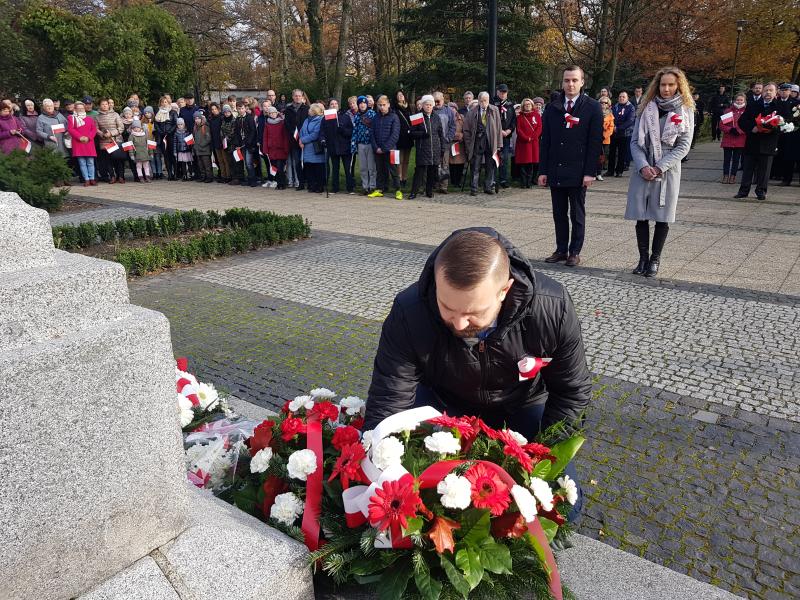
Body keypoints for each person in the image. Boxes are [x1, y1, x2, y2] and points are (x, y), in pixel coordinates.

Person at [364, 227, 591, 522]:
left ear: (504, 291)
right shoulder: (411, 311)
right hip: (444, 402)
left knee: (561, 510)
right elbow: (389, 397)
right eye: (446, 307)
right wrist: (381, 472)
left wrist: (538, 461)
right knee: (423, 501)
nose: (458, 324)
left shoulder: (551, 307)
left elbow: (572, 391)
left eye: (474, 313)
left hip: (523, 404)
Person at [625, 66, 694, 278]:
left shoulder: (685, 110)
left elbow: (684, 146)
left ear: (678, 86)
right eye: (663, 84)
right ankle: (642, 258)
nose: (666, 89)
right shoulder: (646, 107)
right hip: (643, 166)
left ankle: (655, 259)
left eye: (671, 85)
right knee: (641, 215)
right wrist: (644, 166)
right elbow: (635, 141)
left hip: (667, 169)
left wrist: (659, 167)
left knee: (662, 216)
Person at [539, 66, 604, 268]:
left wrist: (590, 172)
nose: (570, 84)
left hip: (578, 169)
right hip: (556, 168)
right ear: (562, 82)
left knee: (576, 213)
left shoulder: (592, 107)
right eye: (567, 80)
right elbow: (546, 141)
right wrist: (543, 170)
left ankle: (574, 251)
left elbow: (595, 143)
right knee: (558, 212)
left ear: (582, 82)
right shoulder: (553, 107)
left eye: (575, 80)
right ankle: (560, 250)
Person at [734, 83, 790, 201]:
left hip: (769, 142)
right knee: (748, 168)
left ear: (776, 93)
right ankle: (743, 191)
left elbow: (786, 123)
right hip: (752, 141)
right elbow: (742, 121)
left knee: (764, 170)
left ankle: (761, 191)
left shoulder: (781, 106)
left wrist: (773, 128)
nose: (768, 93)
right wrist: (752, 128)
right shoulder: (753, 105)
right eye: (766, 90)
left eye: (771, 90)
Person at [462, 92, 502, 196]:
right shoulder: (472, 111)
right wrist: (468, 143)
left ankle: (488, 187)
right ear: (478, 100)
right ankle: (474, 188)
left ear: (488, 100)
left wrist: (498, 144)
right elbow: (466, 130)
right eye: (482, 101)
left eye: (486, 101)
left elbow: (498, 128)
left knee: (490, 166)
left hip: (490, 142)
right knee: (475, 166)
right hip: (477, 142)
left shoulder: (494, 110)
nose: (484, 103)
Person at [409, 94, 445, 199]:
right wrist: (422, 134)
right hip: (422, 149)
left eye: (430, 104)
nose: (428, 106)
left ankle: (429, 191)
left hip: (434, 149)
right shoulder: (417, 117)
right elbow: (411, 133)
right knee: (419, 172)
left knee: (432, 172)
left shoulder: (436, 117)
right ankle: (413, 192)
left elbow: (441, 134)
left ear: (432, 105)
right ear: (422, 105)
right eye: (426, 104)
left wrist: (442, 148)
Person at [370, 95, 402, 199]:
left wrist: (384, 148)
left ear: (388, 105)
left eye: (384, 105)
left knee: (394, 170)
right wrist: (376, 148)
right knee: (380, 170)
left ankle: (398, 190)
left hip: (391, 149)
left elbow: (395, 135)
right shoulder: (375, 117)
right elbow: (372, 134)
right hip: (377, 150)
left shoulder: (394, 117)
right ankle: (380, 189)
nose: (382, 107)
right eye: (380, 105)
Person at [321, 99, 354, 194]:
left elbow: (351, 131)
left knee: (348, 168)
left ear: (338, 105)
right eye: (332, 104)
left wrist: (343, 130)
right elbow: (322, 131)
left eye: (336, 104)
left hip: (345, 146)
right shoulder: (326, 118)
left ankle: (350, 188)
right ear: (329, 106)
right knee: (335, 169)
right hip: (333, 146)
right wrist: (322, 139)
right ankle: (335, 188)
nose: (334, 105)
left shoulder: (345, 117)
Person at [66, 100, 97, 186]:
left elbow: (93, 129)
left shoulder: (89, 119)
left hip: (89, 142)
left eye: (82, 108)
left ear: (84, 109)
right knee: (82, 163)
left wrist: (88, 137)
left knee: (90, 162)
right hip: (78, 142)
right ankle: (86, 179)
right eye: (78, 108)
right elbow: (71, 129)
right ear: (75, 109)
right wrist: (80, 137)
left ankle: (92, 179)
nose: (80, 110)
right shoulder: (71, 118)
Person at [95, 98, 126, 184]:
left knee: (119, 160)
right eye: (102, 104)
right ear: (99, 106)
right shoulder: (97, 117)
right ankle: (112, 176)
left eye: (106, 104)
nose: (104, 106)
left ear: (109, 105)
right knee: (108, 161)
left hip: (116, 140)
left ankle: (121, 176)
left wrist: (111, 133)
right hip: (104, 141)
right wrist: (102, 134)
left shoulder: (115, 114)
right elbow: (96, 129)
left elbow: (121, 127)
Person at [514, 98, 542, 188]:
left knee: (531, 163)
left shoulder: (536, 115)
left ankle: (529, 182)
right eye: (526, 105)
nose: (527, 106)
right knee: (523, 163)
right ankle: (523, 182)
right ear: (523, 106)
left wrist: (533, 137)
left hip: (533, 143)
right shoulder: (519, 117)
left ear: (532, 105)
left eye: (529, 104)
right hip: (523, 143)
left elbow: (539, 127)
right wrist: (526, 138)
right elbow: (519, 130)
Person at [719, 93, 747, 184]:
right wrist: (730, 129)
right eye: (737, 100)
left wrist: (739, 131)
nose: (739, 101)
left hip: (740, 139)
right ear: (734, 101)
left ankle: (733, 176)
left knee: (736, 160)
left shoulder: (746, 112)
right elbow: (722, 125)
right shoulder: (729, 111)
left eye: (741, 100)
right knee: (727, 159)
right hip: (728, 138)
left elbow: (748, 126)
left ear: (744, 101)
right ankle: (725, 175)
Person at [352, 95, 377, 194]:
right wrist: (354, 144)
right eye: (360, 103)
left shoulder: (372, 114)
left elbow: (375, 129)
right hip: (361, 143)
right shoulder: (357, 116)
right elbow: (355, 130)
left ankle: (372, 186)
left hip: (370, 143)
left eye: (364, 103)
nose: (362, 105)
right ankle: (365, 186)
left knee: (371, 167)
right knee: (363, 167)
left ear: (367, 104)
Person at [606, 91, 634, 177]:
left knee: (622, 153)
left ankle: (619, 171)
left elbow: (630, 121)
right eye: (620, 96)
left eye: (623, 97)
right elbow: (610, 117)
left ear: (627, 98)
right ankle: (610, 171)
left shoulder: (631, 108)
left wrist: (618, 128)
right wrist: (612, 127)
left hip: (624, 134)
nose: (621, 98)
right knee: (612, 153)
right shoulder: (615, 106)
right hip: (613, 133)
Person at [284, 89, 309, 189]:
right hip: (293, 140)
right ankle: (300, 183)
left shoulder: (307, 108)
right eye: (296, 96)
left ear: (302, 97)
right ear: (293, 97)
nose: (298, 97)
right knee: (297, 162)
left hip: (305, 139)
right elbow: (287, 124)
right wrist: (294, 133)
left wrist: (302, 136)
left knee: (307, 162)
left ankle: (309, 181)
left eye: (299, 96)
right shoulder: (289, 109)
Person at [298, 103, 325, 193]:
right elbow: (301, 130)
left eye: (310, 109)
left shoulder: (320, 120)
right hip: (306, 148)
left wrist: (303, 140)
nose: (308, 110)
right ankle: (312, 185)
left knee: (318, 168)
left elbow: (315, 134)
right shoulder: (306, 120)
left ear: (314, 111)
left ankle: (319, 186)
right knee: (309, 167)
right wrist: (301, 139)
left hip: (315, 147)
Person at [776, 83, 800, 186]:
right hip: (779, 133)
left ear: (790, 91)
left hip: (793, 134)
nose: (784, 92)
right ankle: (785, 178)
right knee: (783, 156)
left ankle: (791, 179)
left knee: (794, 156)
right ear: (779, 91)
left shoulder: (796, 103)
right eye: (782, 90)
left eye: (786, 90)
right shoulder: (775, 102)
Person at [493, 84, 516, 188]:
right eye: (501, 92)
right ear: (497, 91)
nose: (503, 94)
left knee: (505, 158)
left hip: (506, 136)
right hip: (495, 136)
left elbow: (513, 120)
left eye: (505, 92)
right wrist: (499, 131)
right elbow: (491, 120)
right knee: (494, 158)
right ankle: (492, 180)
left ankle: (503, 180)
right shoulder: (492, 103)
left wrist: (509, 130)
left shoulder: (510, 104)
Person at [433, 92, 456, 193]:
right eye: (435, 101)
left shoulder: (449, 111)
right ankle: (435, 185)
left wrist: (448, 138)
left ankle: (443, 186)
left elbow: (453, 126)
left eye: (439, 100)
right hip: (434, 143)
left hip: (445, 142)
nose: (437, 103)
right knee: (435, 164)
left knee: (445, 164)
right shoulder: (431, 110)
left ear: (443, 99)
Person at [262, 105, 289, 189]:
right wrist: (265, 149)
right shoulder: (267, 124)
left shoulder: (282, 123)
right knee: (274, 167)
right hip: (271, 149)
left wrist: (286, 148)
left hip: (280, 149)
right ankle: (278, 183)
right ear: (269, 114)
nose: (273, 114)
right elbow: (265, 137)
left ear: (276, 113)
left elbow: (285, 136)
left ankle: (283, 183)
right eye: (271, 113)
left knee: (280, 167)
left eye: (274, 113)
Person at [232, 101, 258, 187]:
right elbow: (236, 132)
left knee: (249, 162)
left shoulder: (249, 118)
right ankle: (249, 179)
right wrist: (237, 143)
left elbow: (253, 131)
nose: (241, 110)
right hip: (241, 144)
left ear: (245, 108)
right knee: (245, 162)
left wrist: (248, 141)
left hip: (248, 144)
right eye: (239, 109)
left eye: (242, 108)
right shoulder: (237, 119)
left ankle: (253, 180)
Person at [392, 90, 414, 187]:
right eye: (398, 95)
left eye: (402, 95)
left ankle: (405, 177)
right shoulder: (394, 108)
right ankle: (399, 178)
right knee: (399, 160)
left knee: (406, 160)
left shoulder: (409, 108)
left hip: (408, 136)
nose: (401, 96)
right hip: (400, 136)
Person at [154, 96, 178, 180]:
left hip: (170, 136)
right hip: (162, 137)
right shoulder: (158, 113)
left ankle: (175, 174)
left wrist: (170, 131)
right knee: (166, 156)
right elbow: (156, 124)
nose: (164, 104)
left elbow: (175, 123)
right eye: (162, 102)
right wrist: (161, 131)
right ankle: (169, 174)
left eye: (165, 102)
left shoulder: (173, 112)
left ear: (168, 103)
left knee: (172, 155)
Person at [208, 103, 228, 183]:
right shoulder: (211, 119)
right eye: (212, 109)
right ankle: (222, 175)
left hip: (222, 141)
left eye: (215, 109)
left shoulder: (222, 117)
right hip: (215, 141)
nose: (214, 111)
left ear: (218, 109)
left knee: (225, 160)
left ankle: (228, 176)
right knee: (219, 161)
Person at [448, 102, 466, 187]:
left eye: (453, 108)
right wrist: (454, 136)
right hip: (451, 144)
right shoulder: (447, 118)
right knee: (452, 163)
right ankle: (453, 181)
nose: (452, 109)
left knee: (460, 163)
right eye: (450, 108)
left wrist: (462, 135)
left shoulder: (461, 117)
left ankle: (459, 181)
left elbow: (466, 128)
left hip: (460, 144)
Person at [129, 118, 152, 183]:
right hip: (137, 154)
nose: (136, 129)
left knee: (146, 166)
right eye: (134, 127)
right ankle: (140, 177)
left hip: (145, 153)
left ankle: (147, 177)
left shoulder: (145, 135)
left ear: (140, 127)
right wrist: (131, 155)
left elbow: (149, 144)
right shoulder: (132, 136)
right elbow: (130, 146)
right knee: (138, 166)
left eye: (137, 127)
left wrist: (151, 153)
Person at [193, 111, 213, 183]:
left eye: (198, 118)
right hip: (198, 150)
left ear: (201, 119)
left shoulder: (205, 127)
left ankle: (209, 177)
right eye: (195, 119)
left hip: (205, 150)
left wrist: (201, 145)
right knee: (201, 165)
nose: (197, 120)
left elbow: (208, 139)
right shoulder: (195, 128)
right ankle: (203, 176)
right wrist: (195, 146)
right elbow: (194, 138)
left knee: (207, 164)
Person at [596, 97, 614, 181]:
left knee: (602, 157)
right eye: (601, 102)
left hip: (605, 139)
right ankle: (593, 172)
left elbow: (611, 128)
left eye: (605, 103)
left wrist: (604, 136)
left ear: (608, 104)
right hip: (595, 138)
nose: (603, 104)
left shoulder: (610, 115)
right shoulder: (595, 112)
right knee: (594, 156)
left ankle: (599, 173)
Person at [221, 104, 238, 184]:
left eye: (228, 112)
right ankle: (231, 176)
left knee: (234, 161)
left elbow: (233, 131)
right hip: (225, 143)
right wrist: (223, 137)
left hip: (232, 143)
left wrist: (227, 138)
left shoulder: (234, 120)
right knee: (229, 161)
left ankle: (236, 178)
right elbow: (221, 130)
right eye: (225, 112)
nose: (226, 113)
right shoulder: (223, 120)